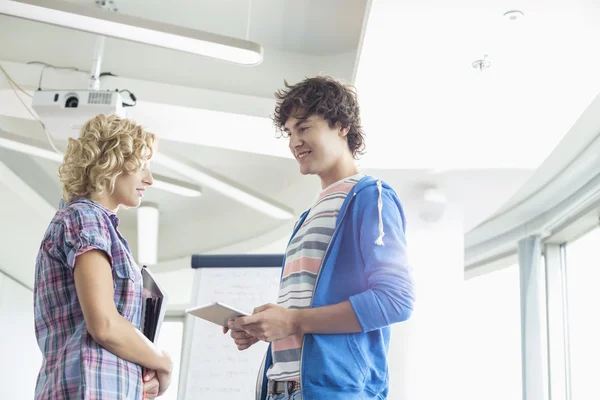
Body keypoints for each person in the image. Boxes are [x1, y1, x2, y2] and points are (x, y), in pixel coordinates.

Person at [223, 76, 415, 400]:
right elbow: (306, 314)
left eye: (304, 127)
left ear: (341, 125)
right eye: (289, 132)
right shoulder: (308, 217)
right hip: (280, 390)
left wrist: (294, 321)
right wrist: (268, 327)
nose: (294, 142)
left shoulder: (370, 196)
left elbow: (396, 299)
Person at [34, 114, 172, 399]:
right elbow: (105, 325)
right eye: (142, 166)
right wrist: (162, 361)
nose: (150, 179)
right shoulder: (86, 219)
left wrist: (140, 375)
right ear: (111, 162)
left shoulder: (99, 227)